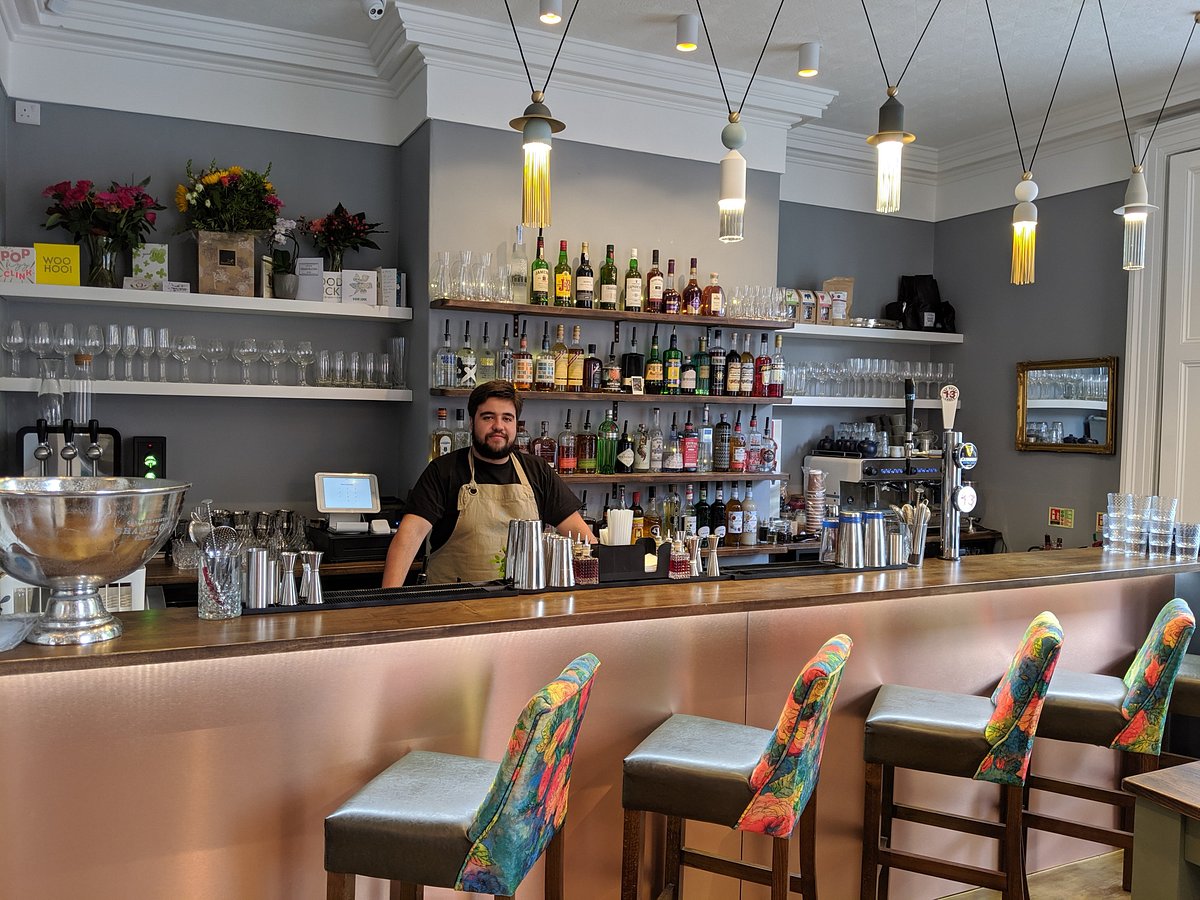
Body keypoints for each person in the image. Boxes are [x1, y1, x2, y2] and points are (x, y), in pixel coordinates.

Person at [382, 380, 594, 586]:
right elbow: (409, 537)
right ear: (472, 422)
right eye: (488, 417)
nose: (498, 426)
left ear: (516, 425)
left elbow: (580, 536)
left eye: (507, 418)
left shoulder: (537, 471)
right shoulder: (443, 470)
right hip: (451, 605)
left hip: (520, 606)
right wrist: (388, 602)